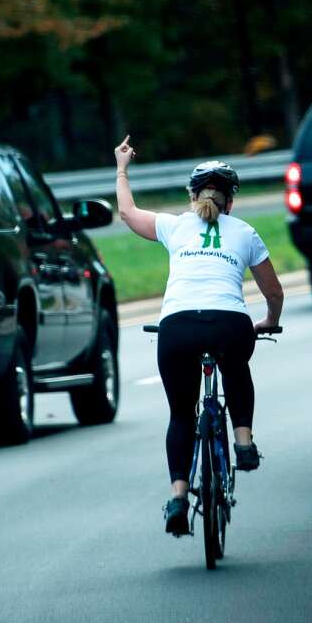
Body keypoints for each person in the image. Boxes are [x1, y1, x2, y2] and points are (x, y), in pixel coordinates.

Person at [113, 135, 284, 537]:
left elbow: (127, 212)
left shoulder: (173, 226)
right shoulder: (244, 231)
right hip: (230, 324)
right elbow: (273, 291)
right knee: (237, 368)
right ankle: (243, 442)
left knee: (180, 414)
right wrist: (268, 320)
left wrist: (122, 167)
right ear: (231, 201)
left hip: (178, 327)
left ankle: (177, 496)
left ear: (192, 196)